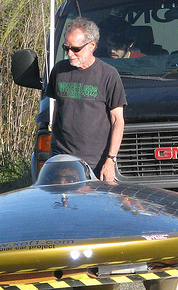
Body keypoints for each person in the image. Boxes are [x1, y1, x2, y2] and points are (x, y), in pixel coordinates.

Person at [45, 17, 127, 182]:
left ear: (92, 45)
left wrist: (111, 159)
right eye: (66, 48)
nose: (70, 54)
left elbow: (117, 120)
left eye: (75, 49)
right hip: (62, 160)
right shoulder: (59, 70)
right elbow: (57, 110)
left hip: (95, 163)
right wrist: (52, 150)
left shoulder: (109, 75)